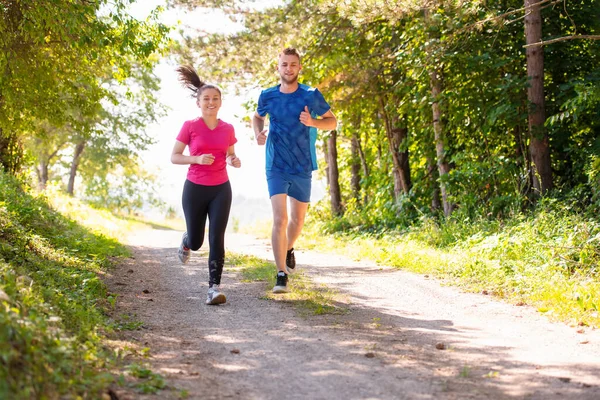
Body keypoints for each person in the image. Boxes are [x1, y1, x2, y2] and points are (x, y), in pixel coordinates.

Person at [252, 47, 337, 293]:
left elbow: (332, 122)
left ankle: (288, 248)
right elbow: (257, 117)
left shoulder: (311, 94)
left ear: (299, 68)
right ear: (277, 68)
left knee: (298, 221)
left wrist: (313, 122)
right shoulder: (267, 95)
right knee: (281, 219)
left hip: (301, 165)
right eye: (284, 64)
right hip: (276, 164)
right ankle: (280, 274)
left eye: (293, 64)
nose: (288, 68)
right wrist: (257, 133)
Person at [171, 65, 241, 305]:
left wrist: (234, 160)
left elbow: (230, 154)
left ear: (220, 102)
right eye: (207, 99)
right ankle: (187, 240)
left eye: (215, 99)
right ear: (199, 102)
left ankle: (214, 288)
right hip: (195, 188)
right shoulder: (190, 126)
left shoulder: (227, 128)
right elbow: (175, 156)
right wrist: (196, 159)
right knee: (198, 241)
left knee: (217, 237)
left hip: (221, 188)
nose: (211, 102)